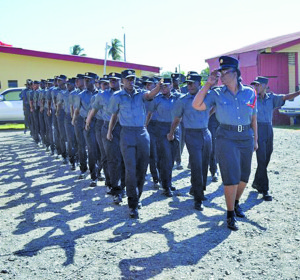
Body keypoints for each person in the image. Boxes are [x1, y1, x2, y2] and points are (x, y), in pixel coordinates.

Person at [192, 56, 258, 231]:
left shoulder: (250, 92)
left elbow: (253, 117)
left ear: (235, 73)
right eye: (219, 72)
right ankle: (230, 214)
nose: (221, 75)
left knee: (244, 177)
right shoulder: (216, 93)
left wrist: (255, 139)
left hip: (246, 136)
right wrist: (208, 84)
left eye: (224, 72)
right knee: (231, 177)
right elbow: (197, 105)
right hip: (226, 137)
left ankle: (235, 203)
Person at [107, 69, 161, 218]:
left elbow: (150, 95)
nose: (131, 81)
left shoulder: (141, 94)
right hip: (127, 134)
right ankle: (132, 204)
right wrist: (109, 131)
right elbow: (114, 115)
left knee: (142, 169)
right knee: (130, 169)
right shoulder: (117, 96)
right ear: (122, 81)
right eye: (128, 79)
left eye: (133, 79)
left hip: (142, 134)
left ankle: (137, 197)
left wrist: (158, 87)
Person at [251, 76, 300, 201]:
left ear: (265, 86)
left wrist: (299, 92)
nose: (255, 87)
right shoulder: (251, 98)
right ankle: (265, 190)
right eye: (254, 85)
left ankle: (257, 182)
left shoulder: (271, 98)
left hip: (269, 129)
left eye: (258, 85)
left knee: (266, 159)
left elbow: (285, 97)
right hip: (257, 129)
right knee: (261, 160)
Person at [168, 73, 211, 210]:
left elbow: (214, 107)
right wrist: (171, 132)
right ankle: (198, 199)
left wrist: (207, 116)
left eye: (192, 83)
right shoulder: (183, 100)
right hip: (191, 134)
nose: (190, 86)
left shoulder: (208, 96)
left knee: (204, 164)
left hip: (205, 132)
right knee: (196, 165)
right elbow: (176, 119)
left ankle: (198, 189)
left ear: (200, 83)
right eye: (188, 83)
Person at [148, 77, 180, 197]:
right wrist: (145, 127)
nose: (163, 88)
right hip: (161, 129)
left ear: (171, 86)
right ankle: (166, 186)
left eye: (166, 86)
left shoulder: (177, 98)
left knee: (171, 158)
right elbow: (150, 113)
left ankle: (168, 182)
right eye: (161, 87)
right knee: (165, 157)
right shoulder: (157, 99)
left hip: (175, 128)